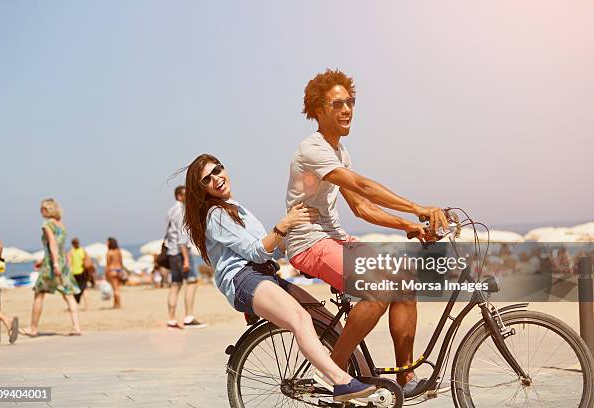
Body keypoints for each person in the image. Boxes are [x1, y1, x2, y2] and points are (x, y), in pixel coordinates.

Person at [286, 69, 449, 397]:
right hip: (308, 242)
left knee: (403, 281)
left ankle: (406, 379)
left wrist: (410, 227)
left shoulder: (340, 153)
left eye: (351, 102)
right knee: (378, 290)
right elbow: (362, 185)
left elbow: (361, 207)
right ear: (319, 111)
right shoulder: (312, 149)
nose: (347, 109)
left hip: (334, 237)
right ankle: (332, 371)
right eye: (337, 104)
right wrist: (417, 207)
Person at [182, 154, 376, 402]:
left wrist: (304, 250)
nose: (216, 179)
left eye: (217, 170)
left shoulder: (236, 208)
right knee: (300, 319)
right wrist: (285, 223)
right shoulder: (216, 215)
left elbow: (272, 246)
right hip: (244, 279)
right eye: (206, 179)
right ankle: (340, 382)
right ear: (202, 190)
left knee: (329, 323)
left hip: (265, 274)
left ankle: (366, 382)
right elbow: (256, 250)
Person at [21, 199, 81, 336]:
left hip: (52, 264)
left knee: (39, 294)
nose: (40, 211)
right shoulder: (61, 225)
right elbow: (58, 247)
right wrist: (44, 260)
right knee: (68, 294)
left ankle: (33, 328)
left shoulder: (47, 224)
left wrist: (53, 264)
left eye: (42, 208)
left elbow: (52, 243)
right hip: (62, 262)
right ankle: (76, 327)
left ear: (48, 209)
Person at [166, 186, 206, 329]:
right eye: (186, 195)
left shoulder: (170, 211)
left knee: (175, 285)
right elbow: (182, 237)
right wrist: (187, 259)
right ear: (179, 196)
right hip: (181, 252)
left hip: (171, 253)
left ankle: (171, 319)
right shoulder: (181, 211)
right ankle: (189, 317)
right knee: (192, 282)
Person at [67, 238, 91, 310]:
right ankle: (86, 306)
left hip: (74, 273)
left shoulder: (70, 252)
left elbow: (69, 263)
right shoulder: (83, 251)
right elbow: (88, 261)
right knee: (85, 289)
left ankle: (73, 306)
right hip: (82, 272)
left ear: (72, 244)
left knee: (74, 290)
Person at [105, 237, 124, 309]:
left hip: (112, 270)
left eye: (107, 242)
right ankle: (116, 303)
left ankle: (118, 304)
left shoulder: (109, 253)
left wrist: (106, 273)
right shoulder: (118, 251)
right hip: (119, 270)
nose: (106, 243)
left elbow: (107, 264)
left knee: (115, 289)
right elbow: (121, 262)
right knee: (117, 288)